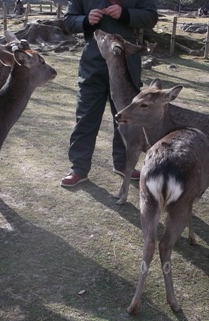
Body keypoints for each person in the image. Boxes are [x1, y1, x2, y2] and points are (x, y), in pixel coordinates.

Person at [61, 0, 158, 187]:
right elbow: (68, 21)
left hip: (127, 63)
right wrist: (85, 20)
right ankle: (79, 169)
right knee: (86, 115)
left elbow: (151, 17)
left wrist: (125, 14)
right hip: (93, 63)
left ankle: (123, 164)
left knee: (127, 118)